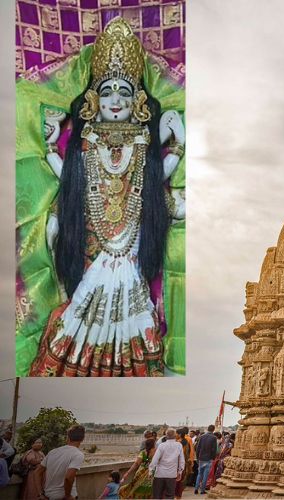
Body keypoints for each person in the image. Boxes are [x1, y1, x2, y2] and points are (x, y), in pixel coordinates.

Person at [28, 16, 185, 377]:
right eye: (108, 92)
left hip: (130, 241)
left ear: (139, 102)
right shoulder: (87, 144)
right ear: (93, 101)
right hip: (93, 235)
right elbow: (72, 180)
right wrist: (52, 143)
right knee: (57, 240)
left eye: (125, 93)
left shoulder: (143, 142)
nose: (115, 100)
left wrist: (177, 144)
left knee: (132, 305)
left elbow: (152, 180)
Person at [38, 425, 86, 500]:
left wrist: (40, 494)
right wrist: (67, 496)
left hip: (48, 496)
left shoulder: (53, 452)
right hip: (63, 497)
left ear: (68, 438)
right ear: (82, 439)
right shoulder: (78, 454)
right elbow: (68, 477)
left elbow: (37, 472)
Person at [149, 428, 184, 499]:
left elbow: (155, 459)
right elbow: (181, 460)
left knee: (157, 495)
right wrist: (180, 472)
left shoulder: (162, 445)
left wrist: (151, 471)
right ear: (175, 436)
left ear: (166, 436)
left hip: (159, 474)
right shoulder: (179, 445)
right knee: (170, 496)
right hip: (171, 475)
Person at [194, 425, 217, 494]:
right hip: (208, 458)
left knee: (199, 474)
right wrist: (213, 458)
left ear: (208, 429)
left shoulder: (202, 436)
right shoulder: (214, 438)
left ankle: (196, 488)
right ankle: (202, 490)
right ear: (213, 430)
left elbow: (198, 448)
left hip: (201, 458)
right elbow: (214, 449)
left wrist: (198, 457)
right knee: (205, 475)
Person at [175, 427, 193, 499]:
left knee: (175, 482)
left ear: (179, 434)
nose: (175, 434)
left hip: (176, 465)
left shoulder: (178, 443)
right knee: (180, 483)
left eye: (176, 433)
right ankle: (178, 497)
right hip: (183, 465)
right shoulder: (186, 441)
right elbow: (189, 453)